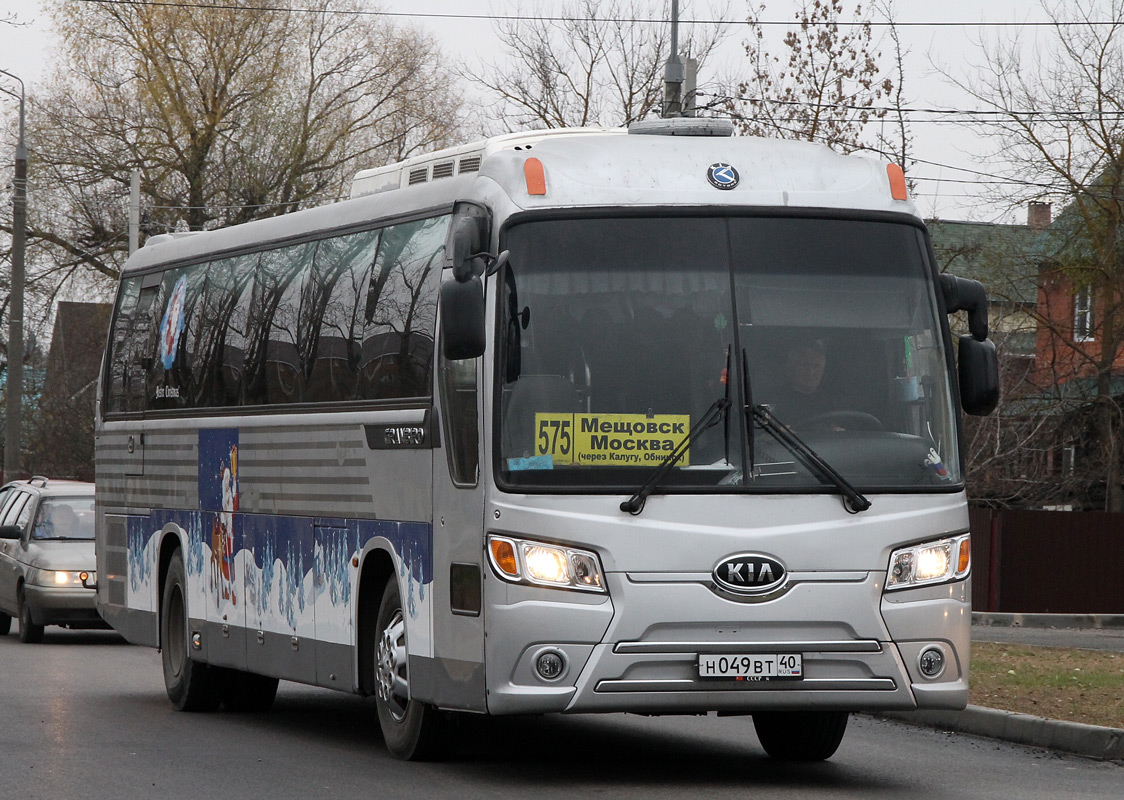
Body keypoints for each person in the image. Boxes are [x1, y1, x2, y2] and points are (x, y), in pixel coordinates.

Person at [768, 338, 835, 427]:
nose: (811, 372)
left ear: (823, 370)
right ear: (789, 369)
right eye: (804, 365)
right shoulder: (773, 399)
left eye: (816, 366)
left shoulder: (833, 401)